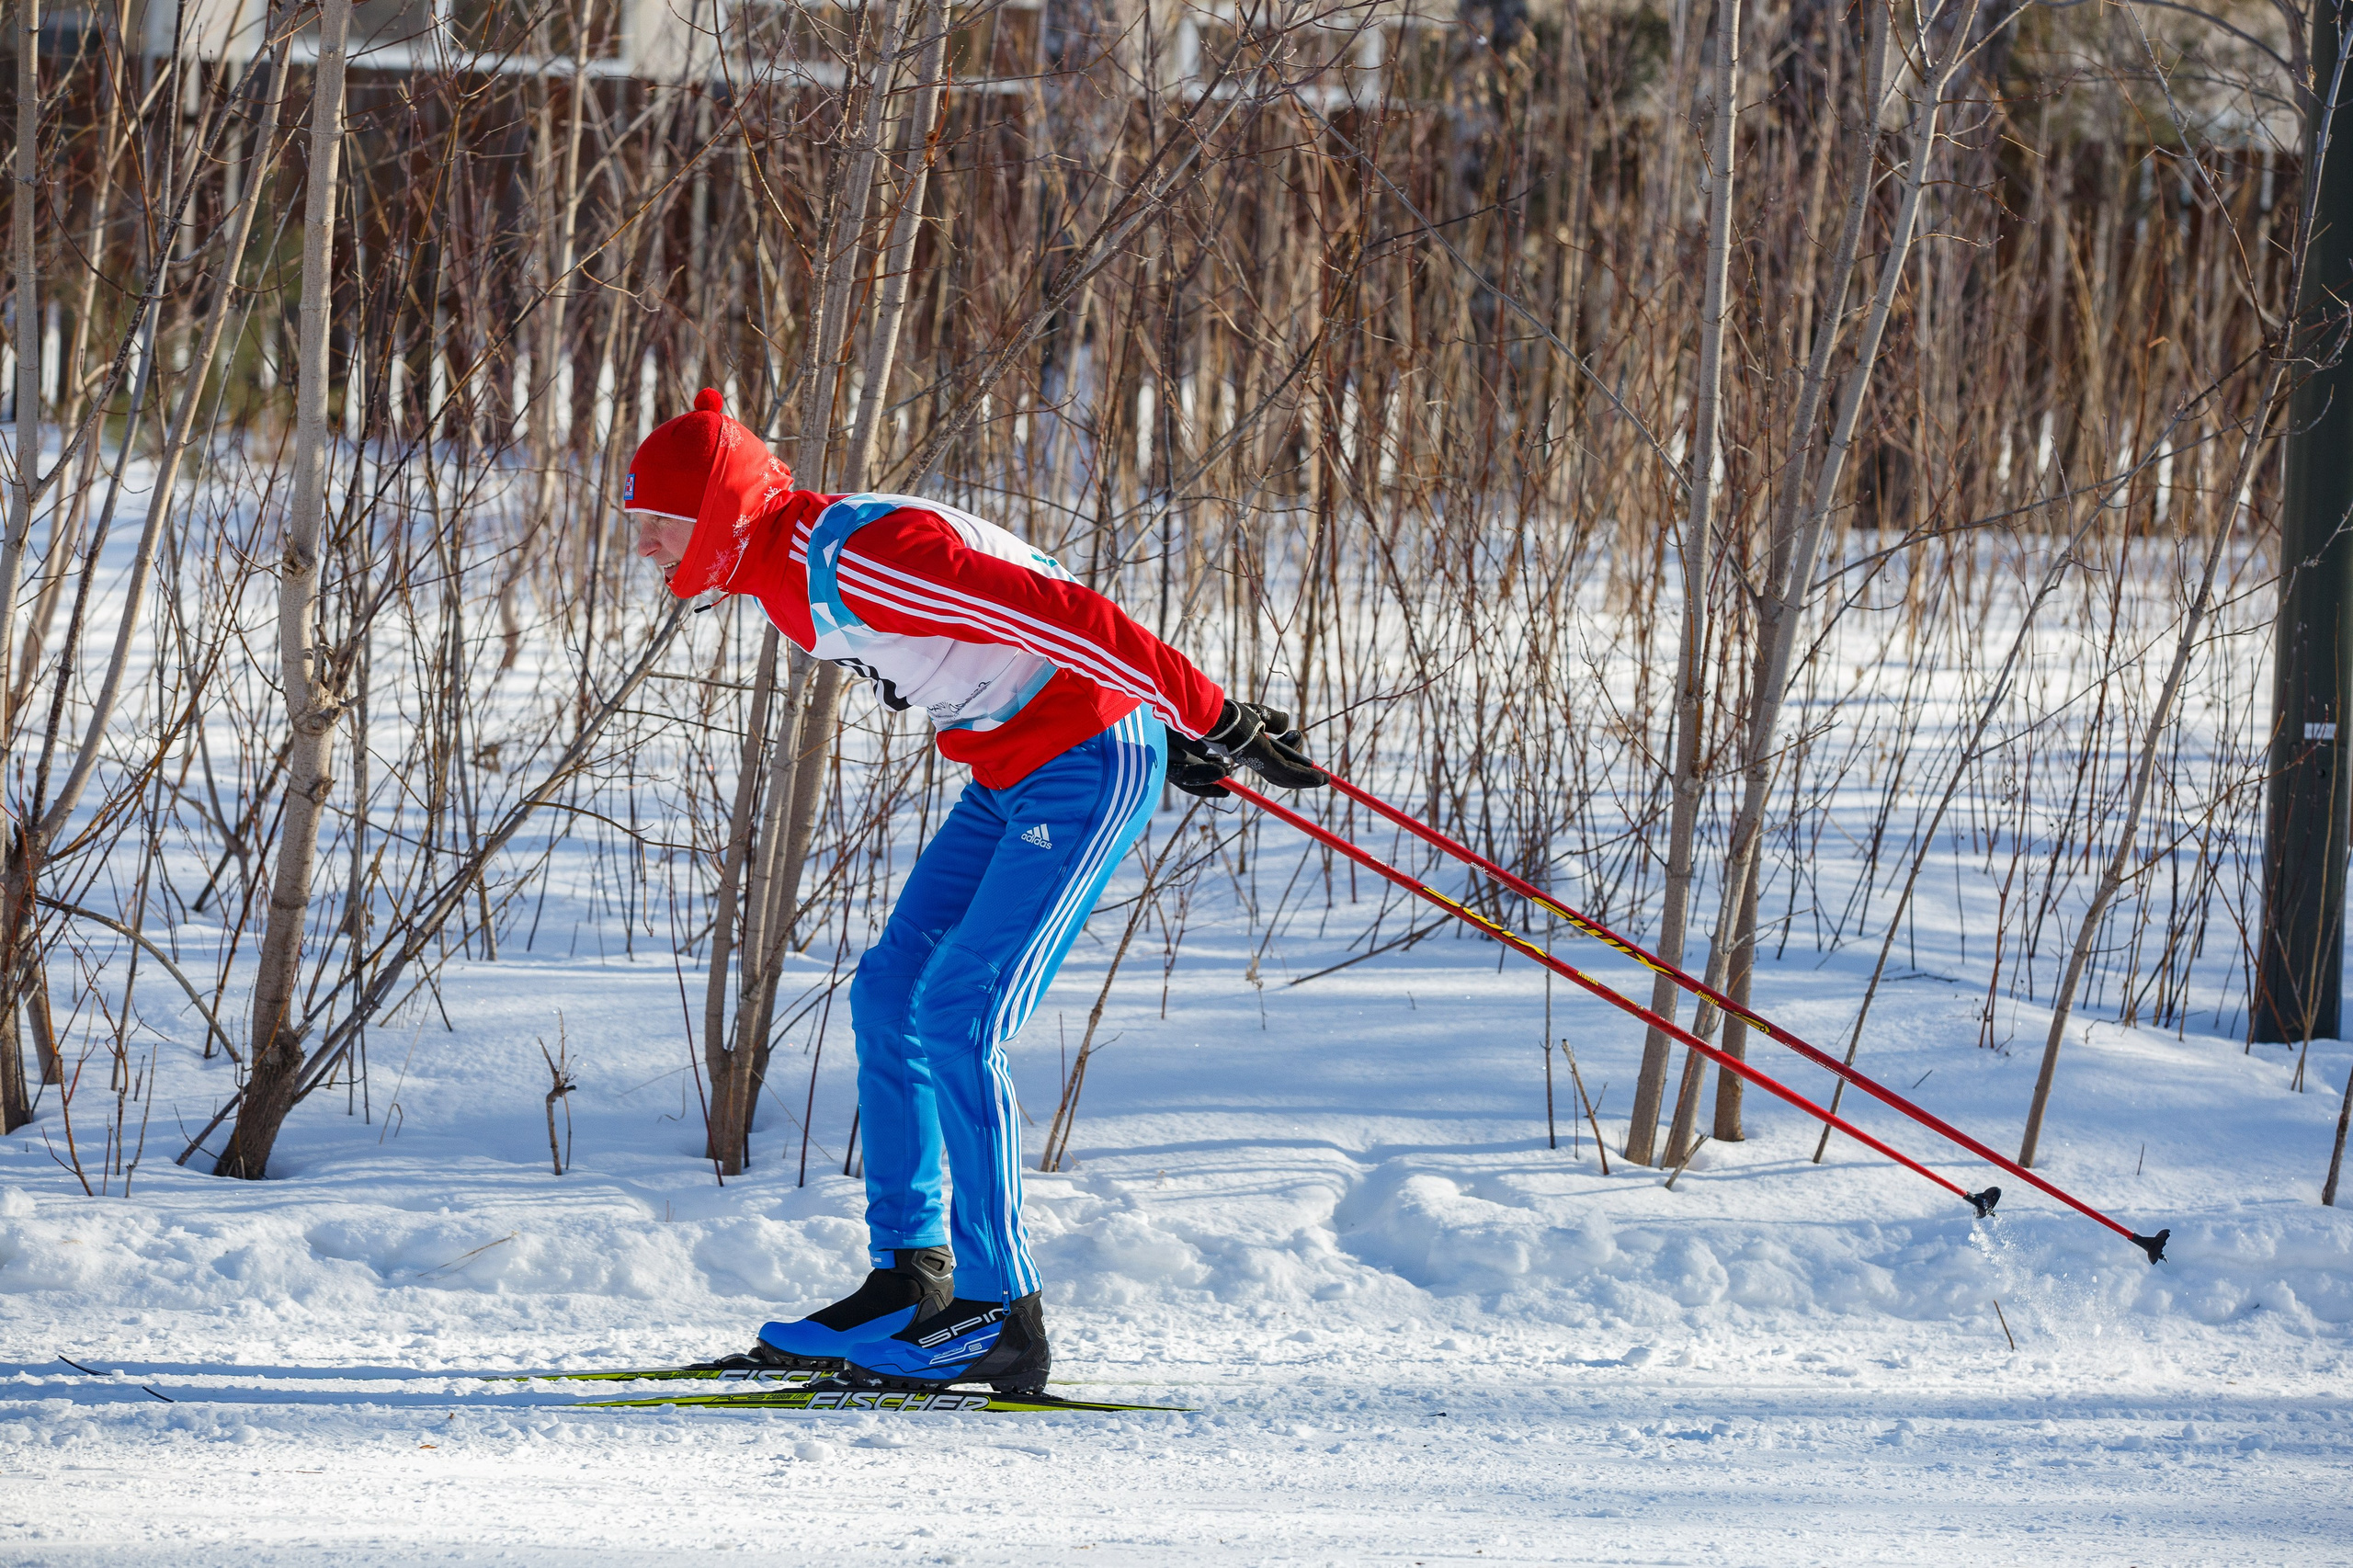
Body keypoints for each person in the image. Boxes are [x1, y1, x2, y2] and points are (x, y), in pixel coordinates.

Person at [625, 390, 1325, 1394]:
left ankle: (1002, 1311)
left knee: (960, 1013)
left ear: (721, 509)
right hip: (1018, 765)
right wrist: (1163, 715)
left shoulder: (864, 555)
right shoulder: (794, 560)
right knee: (889, 992)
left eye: (661, 526)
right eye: (642, 530)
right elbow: (1013, 636)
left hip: (1083, 761)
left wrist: (1203, 711)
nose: (649, 550)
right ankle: (913, 1277)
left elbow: (1064, 611)